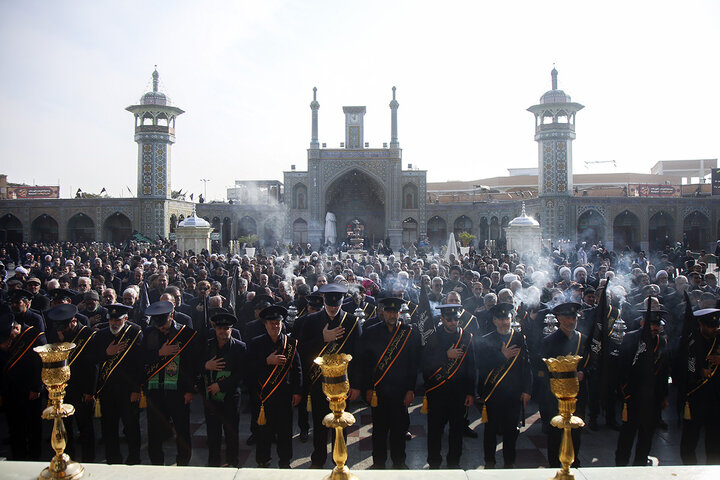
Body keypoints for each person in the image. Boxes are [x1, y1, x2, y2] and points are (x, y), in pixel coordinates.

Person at [299, 282, 362, 468]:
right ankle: (318, 460)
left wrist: (357, 384)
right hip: (319, 382)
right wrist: (323, 339)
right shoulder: (311, 321)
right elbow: (301, 349)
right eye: (329, 304)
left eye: (337, 304)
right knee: (319, 425)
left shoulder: (351, 321)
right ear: (324, 301)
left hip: (344, 384)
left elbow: (359, 356)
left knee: (340, 426)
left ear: (342, 302)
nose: (333, 308)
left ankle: (339, 461)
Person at [358, 297, 420, 469]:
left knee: (399, 430)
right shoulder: (370, 332)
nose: (392, 314)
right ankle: (378, 463)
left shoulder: (409, 332)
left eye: (395, 311)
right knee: (379, 431)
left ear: (400, 312)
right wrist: (368, 389)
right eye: (389, 311)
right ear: (382, 312)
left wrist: (410, 389)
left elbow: (413, 363)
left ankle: (399, 461)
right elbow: (365, 364)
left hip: (401, 391)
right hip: (379, 391)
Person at [141, 300, 199, 466]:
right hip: (155, 390)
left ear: (171, 316)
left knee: (181, 429)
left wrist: (189, 391)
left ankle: (182, 461)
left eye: (164, 323)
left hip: (178, 390)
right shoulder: (149, 333)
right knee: (154, 429)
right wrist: (159, 353)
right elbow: (142, 358)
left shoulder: (185, 333)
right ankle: (157, 462)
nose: (161, 328)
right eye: (158, 324)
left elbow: (191, 364)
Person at [477, 303, 531, 469]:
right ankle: (489, 461)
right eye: (500, 319)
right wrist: (502, 356)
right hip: (493, 393)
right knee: (491, 430)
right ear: (494, 321)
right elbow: (482, 366)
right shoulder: (486, 340)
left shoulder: (518, 338)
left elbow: (526, 365)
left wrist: (527, 390)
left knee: (510, 431)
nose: (504, 322)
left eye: (507, 318)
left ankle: (509, 462)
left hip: (514, 394)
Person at [422, 303, 475, 469]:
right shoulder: (433, 336)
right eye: (449, 319)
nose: (453, 322)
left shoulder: (466, 336)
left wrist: (471, 392)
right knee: (435, 431)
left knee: (457, 431)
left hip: (459, 393)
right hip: (437, 391)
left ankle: (454, 462)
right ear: (442, 319)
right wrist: (446, 355)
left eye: (456, 319)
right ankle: (434, 462)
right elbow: (425, 362)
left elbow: (472, 366)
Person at [247, 305, 302, 468]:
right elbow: (247, 368)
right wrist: (266, 361)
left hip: (284, 397)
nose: (275, 326)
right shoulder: (256, 343)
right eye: (271, 323)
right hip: (263, 396)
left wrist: (298, 391)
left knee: (285, 432)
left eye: (277, 323)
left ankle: (285, 462)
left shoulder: (290, 344)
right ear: (265, 324)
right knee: (263, 432)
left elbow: (297, 369)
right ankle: (263, 461)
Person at [615, 305, 668, 466]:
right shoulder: (631, 338)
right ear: (643, 323)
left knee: (647, 432)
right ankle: (621, 463)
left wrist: (663, 396)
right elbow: (622, 367)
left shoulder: (662, 341)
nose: (655, 328)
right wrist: (625, 392)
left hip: (652, 396)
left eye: (657, 325)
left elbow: (664, 371)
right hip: (634, 393)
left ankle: (640, 462)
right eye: (652, 324)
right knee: (628, 432)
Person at [45, 303, 98, 462]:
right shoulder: (55, 335)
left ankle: (89, 461)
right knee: (64, 428)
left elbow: (93, 366)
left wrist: (90, 391)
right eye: (58, 326)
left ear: (73, 321)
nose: (61, 329)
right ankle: (68, 459)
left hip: (83, 389)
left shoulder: (88, 334)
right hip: (63, 389)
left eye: (64, 326)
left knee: (85, 428)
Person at [93, 303, 144, 465]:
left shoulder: (135, 332)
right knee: (109, 428)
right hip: (107, 390)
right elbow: (92, 360)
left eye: (118, 320)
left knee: (131, 427)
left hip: (128, 390)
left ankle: (134, 458)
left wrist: (137, 389)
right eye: (111, 319)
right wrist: (106, 353)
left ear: (126, 318)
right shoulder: (100, 335)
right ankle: (113, 459)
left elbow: (140, 365)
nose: (114, 323)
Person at [542, 302, 589, 468]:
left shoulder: (582, 339)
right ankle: (555, 464)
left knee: (575, 430)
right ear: (559, 318)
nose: (571, 321)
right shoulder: (549, 341)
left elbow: (590, 364)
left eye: (574, 317)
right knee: (556, 431)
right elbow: (542, 369)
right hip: (556, 395)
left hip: (576, 394)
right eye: (567, 318)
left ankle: (574, 463)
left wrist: (584, 372)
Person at [0, 310, 46, 460]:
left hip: (30, 390)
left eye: (9, 336)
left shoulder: (36, 336)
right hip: (10, 390)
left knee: (33, 426)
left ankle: (34, 457)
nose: (9, 339)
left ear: (16, 328)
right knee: (15, 426)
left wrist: (36, 387)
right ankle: (18, 455)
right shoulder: (5, 339)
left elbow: (41, 364)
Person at [203, 312, 247, 467]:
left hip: (230, 397)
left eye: (226, 328)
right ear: (215, 329)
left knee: (231, 433)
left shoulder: (240, 348)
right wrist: (205, 365)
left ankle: (232, 462)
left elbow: (241, 374)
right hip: (210, 397)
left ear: (231, 329)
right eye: (220, 328)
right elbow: (194, 367)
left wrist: (220, 386)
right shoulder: (206, 346)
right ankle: (213, 463)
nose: (223, 331)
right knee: (213, 433)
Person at [679, 307, 720, 465]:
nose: (714, 330)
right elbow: (681, 368)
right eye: (710, 326)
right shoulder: (690, 341)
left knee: (715, 440)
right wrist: (698, 372)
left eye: (715, 326)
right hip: (696, 397)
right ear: (701, 325)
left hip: (716, 398)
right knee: (690, 439)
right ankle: (689, 469)